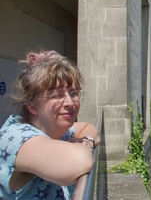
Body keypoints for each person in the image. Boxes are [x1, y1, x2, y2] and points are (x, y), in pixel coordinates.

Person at [0, 50, 100, 199]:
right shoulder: (16, 138)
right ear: (32, 106)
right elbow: (81, 161)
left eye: (73, 93)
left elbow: (89, 128)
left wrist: (88, 142)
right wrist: (81, 147)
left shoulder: (52, 130)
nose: (69, 103)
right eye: (57, 96)